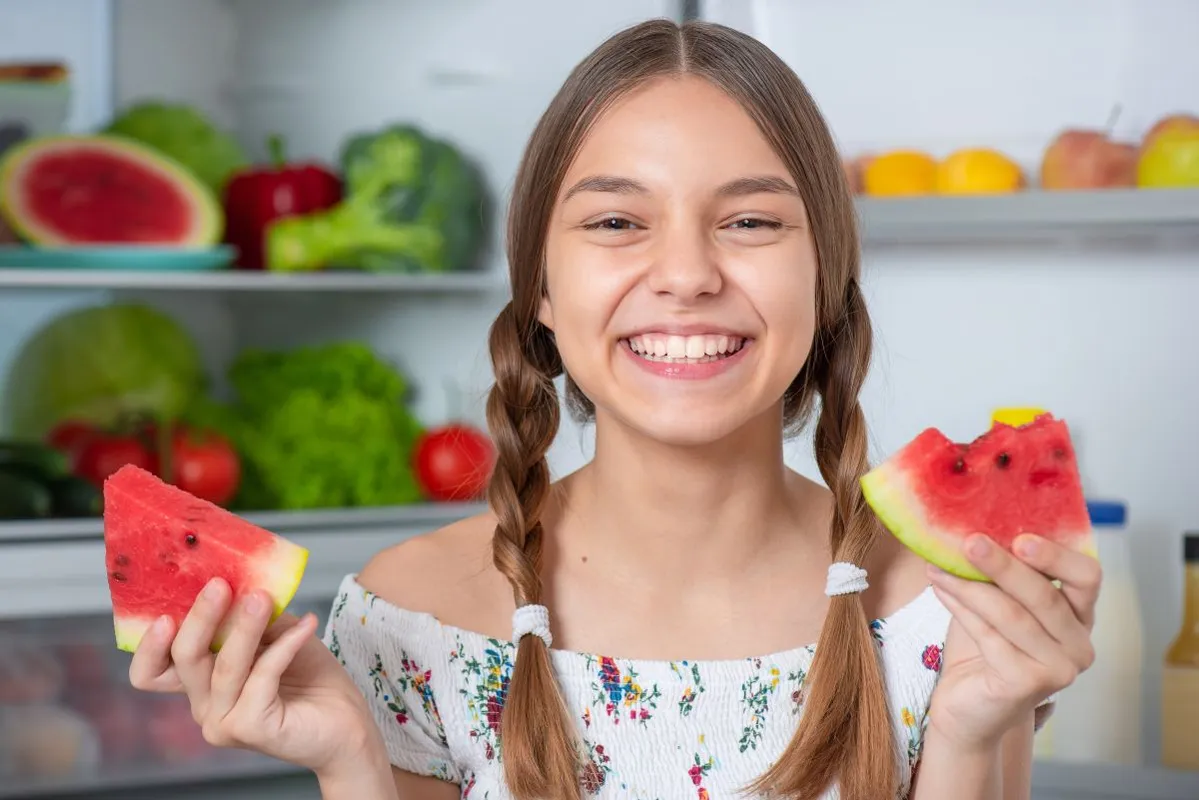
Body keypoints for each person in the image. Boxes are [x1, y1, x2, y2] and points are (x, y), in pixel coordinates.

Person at [126, 17, 1101, 800]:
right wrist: (351, 765)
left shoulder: (951, 613)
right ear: (541, 288)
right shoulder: (409, 619)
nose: (683, 274)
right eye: (615, 222)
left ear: (826, 277)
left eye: (751, 220)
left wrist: (975, 727)